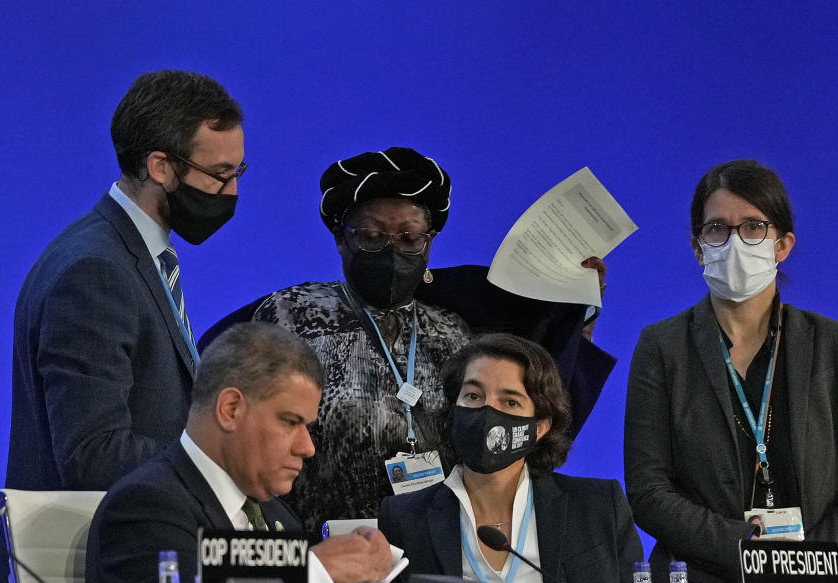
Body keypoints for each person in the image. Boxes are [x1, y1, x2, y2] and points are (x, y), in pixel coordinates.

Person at [200, 147, 617, 533]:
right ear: (341, 238)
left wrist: (572, 309)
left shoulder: (457, 328)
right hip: (323, 555)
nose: (391, 249)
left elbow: (527, 418)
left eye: (410, 238)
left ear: (429, 241)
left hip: (439, 555)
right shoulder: (290, 315)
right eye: (372, 236)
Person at [0, 70, 246, 583]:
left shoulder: (131, 255)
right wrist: (217, 464)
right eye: (219, 174)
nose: (232, 191)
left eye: (238, 171)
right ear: (160, 167)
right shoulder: (95, 271)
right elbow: (94, 451)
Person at [623, 159, 838, 583]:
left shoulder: (835, 345)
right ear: (697, 247)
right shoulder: (663, 347)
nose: (734, 242)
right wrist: (743, 547)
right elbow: (649, 490)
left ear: (782, 246)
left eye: (753, 228)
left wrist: (807, 563)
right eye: (717, 229)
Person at [85, 322, 393, 583]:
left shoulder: (279, 516)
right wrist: (312, 571)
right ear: (231, 409)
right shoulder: (147, 507)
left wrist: (362, 570)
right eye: (289, 422)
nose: (307, 447)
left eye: (308, 428)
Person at [379, 333, 642, 583]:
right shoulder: (404, 518)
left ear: (540, 427)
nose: (487, 411)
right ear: (453, 410)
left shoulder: (598, 508)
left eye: (510, 402)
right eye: (473, 395)